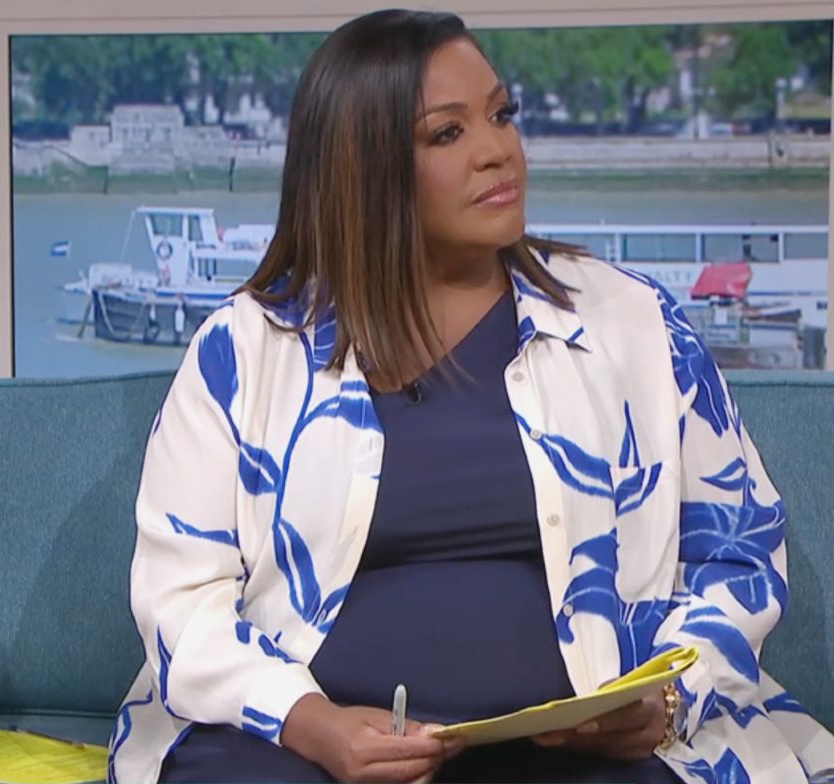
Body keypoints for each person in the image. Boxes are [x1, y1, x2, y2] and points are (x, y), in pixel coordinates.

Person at [108, 9, 834, 784]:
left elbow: (740, 550)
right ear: (364, 165)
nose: (499, 151)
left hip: (583, 751)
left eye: (501, 115)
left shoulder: (635, 322)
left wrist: (666, 698)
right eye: (447, 134)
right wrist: (312, 725)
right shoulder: (244, 349)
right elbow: (180, 597)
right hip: (294, 747)